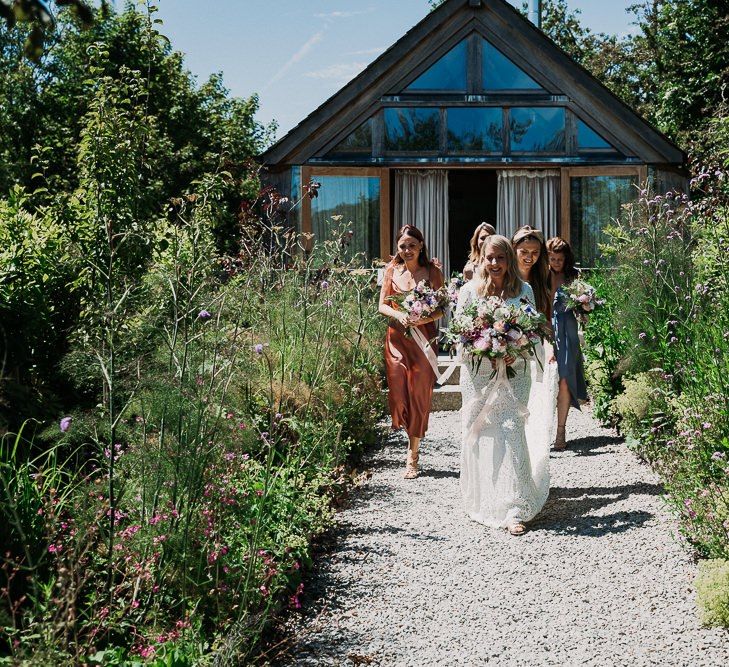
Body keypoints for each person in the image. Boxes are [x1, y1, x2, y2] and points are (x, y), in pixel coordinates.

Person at [457, 235, 550, 535]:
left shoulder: (523, 290)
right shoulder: (469, 292)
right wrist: (487, 351)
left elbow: (533, 332)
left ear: (509, 259)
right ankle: (486, 496)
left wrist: (516, 350)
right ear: (481, 258)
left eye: (501, 257)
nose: (495, 263)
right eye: (490, 257)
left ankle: (515, 506)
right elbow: (461, 336)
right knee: (481, 429)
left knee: (511, 429)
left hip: (515, 373)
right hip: (479, 374)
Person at [378, 224, 445, 479]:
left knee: (418, 393)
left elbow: (441, 309)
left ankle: (412, 454)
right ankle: (407, 430)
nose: (407, 250)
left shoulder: (432, 272)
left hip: (423, 340)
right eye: (403, 246)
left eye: (412, 246)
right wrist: (400, 314)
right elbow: (382, 305)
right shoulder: (391, 271)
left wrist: (420, 319)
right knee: (398, 390)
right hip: (396, 338)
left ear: (421, 247)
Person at [547, 237, 588, 450]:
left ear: (566, 259)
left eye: (559, 259)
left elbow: (583, 308)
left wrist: (586, 306)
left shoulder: (573, 278)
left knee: (564, 380)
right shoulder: (540, 277)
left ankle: (560, 430)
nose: (555, 263)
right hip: (544, 329)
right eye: (552, 258)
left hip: (568, 332)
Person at [511, 225, 551, 320]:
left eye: (535, 252)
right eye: (524, 252)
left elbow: (547, 318)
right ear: (514, 249)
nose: (529, 257)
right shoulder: (504, 277)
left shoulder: (546, 278)